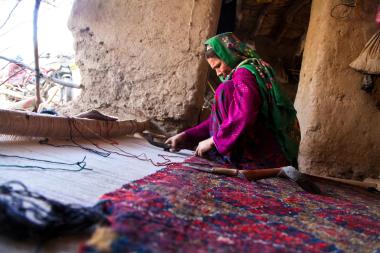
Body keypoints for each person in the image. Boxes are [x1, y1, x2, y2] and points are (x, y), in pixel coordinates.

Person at [165, 33, 320, 193]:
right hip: (275, 151)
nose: (218, 73)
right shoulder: (253, 69)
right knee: (226, 88)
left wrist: (214, 141)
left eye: (218, 66)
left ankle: (246, 161)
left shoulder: (244, 73)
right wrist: (186, 135)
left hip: (265, 155)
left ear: (229, 55)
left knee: (224, 89)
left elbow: (244, 114)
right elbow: (222, 119)